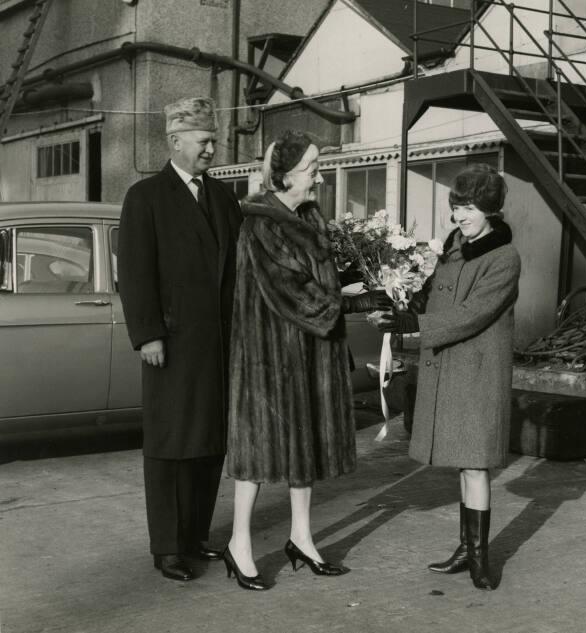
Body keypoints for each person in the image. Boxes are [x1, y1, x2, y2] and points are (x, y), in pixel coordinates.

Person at [223, 130, 391, 591]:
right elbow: (293, 294)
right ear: (287, 174)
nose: (319, 175)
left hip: (307, 353)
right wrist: (356, 303)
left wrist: (367, 284)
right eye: (313, 167)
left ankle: (301, 537)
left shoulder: (310, 217)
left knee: (305, 449)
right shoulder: (262, 224)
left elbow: (321, 281)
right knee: (257, 453)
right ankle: (239, 544)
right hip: (269, 358)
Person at [378, 163, 521, 590]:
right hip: (449, 368)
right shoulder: (456, 246)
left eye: (469, 208)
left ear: (491, 210)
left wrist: (414, 328)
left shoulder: (503, 257)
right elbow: (431, 300)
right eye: (456, 207)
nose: (459, 217)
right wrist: (397, 305)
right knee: (463, 465)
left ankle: (479, 557)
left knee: (475, 465)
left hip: (477, 373)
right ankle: (465, 548)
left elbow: (471, 315)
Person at [117, 97, 243, 581]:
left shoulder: (224, 197)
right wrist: (148, 333)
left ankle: (195, 535)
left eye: (214, 140)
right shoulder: (145, 196)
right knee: (171, 443)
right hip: (169, 342)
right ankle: (168, 547)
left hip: (217, 342)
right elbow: (134, 271)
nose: (212, 148)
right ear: (175, 142)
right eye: (204, 141)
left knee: (209, 441)